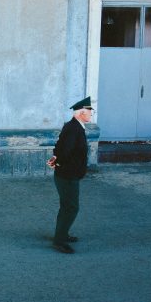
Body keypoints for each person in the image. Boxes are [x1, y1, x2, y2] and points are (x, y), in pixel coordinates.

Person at [47, 96, 93, 254]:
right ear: (81, 113)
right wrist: (62, 165)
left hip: (66, 174)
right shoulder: (74, 129)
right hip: (67, 175)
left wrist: (57, 160)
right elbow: (64, 151)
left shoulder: (73, 126)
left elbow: (59, 147)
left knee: (66, 206)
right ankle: (59, 241)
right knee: (71, 207)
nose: (91, 114)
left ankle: (62, 234)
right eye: (89, 112)